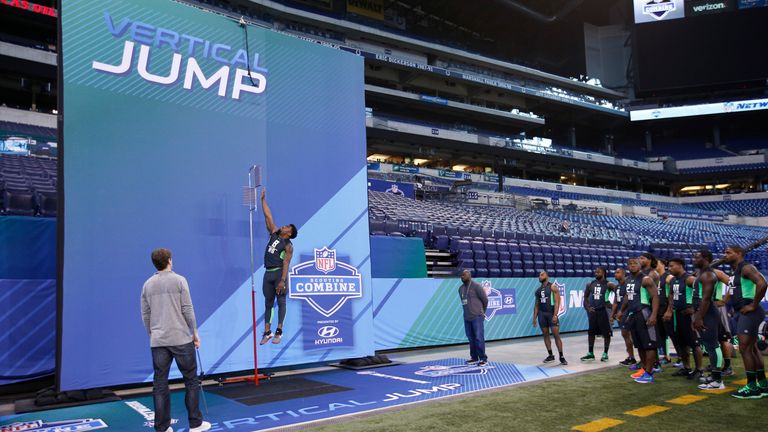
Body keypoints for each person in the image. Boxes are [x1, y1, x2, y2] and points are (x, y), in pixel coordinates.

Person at [141, 248, 211, 432]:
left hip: (158, 341)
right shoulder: (180, 280)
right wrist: (195, 333)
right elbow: (187, 309)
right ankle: (195, 424)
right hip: (181, 338)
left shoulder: (147, 284)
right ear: (170, 261)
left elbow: (145, 314)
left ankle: (162, 428)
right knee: (191, 381)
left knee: (160, 384)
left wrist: (152, 333)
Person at [723, 245, 768, 399]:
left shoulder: (746, 268)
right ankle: (762, 384)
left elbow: (762, 283)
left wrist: (753, 305)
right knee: (752, 348)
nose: (725, 255)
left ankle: (751, 386)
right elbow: (733, 292)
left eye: (729, 253)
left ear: (739, 254)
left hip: (750, 312)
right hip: (743, 312)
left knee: (745, 348)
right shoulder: (734, 272)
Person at [259, 189, 297, 345]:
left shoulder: (288, 245)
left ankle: (279, 331)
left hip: (279, 275)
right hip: (268, 273)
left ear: (289, 234)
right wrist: (262, 200)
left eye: (288, 227)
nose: (285, 226)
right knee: (268, 303)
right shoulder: (274, 233)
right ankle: (267, 332)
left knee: (281, 302)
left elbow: (286, 263)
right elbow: (268, 216)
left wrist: (282, 280)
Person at [616, 257, 660, 384]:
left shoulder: (645, 279)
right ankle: (644, 368)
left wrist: (653, 315)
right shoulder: (629, 280)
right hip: (633, 314)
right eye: (630, 264)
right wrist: (621, 311)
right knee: (639, 344)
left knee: (649, 344)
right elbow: (626, 297)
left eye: (635, 263)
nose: (632, 265)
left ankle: (649, 373)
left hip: (644, 313)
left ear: (640, 265)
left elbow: (655, 297)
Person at [691, 250, 725, 390]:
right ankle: (714, 376)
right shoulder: (702, 273)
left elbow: (706, 299)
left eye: (697, 257)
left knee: (713, 345)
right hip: (703, 312)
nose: (694, 259)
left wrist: (698, 318)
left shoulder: (708, 275)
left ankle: (718, 381)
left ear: (705, 258)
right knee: (709, 345)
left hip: (707, 312)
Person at [666, 257, 701, 379]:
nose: (669, 268)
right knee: (681, 344)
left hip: (688, 315)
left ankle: (699, 369)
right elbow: (670, 294)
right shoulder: (673, 280)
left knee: (694, 343)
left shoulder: (689, 279)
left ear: (680, 265)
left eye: (672, 266)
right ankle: (686, 367)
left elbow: (703, 292)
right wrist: (670, 309)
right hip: (677, 315)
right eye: (669, 266)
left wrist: (694, 308)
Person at [532, 271, 567, 365]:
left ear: (547, 276)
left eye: (542, 275)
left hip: (551, 314)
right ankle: (551, 355)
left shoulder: (553, 287)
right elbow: (536, 305)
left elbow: (557, 302)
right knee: (545, 334)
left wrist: (555, 315)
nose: (540, 276)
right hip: (542, 315)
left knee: (556, 335)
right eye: (539, 275)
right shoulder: (538, 291)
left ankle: (561, 356)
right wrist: (534, 318)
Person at [581, 266, 613, 362]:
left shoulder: (609, 284)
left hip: (604, 311)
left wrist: (612, 306)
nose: (596, 273)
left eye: (598, 272)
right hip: (593, 312)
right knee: (591, 333)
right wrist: (588, 307)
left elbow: (619, 293)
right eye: (595, 272)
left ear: (603, 273)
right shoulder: (590, 284)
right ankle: (590, 353)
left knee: (606, 334)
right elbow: (585, 297)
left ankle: (605, 354)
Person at [459, 269, 489, 366]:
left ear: (469, 276)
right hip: (467, 317)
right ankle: (474, 357)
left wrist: (482, 312)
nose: (462, 276)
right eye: (461, 275)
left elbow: (485, 300)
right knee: (470, 338)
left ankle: (483, 358)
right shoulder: (460, 289)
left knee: (478, 337)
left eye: (464, 275)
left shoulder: (476, 286)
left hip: (477, 316)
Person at [611, 268, 636, 365]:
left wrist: (623, 311)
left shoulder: (628, 284)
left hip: (630, 312)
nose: (615, 274)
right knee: (625, 335)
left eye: (618, 272)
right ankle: (631, 357)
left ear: (623, 274)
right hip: (621, 314)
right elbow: (616, 302)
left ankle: (641, 358)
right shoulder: (617, 287)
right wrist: (612, 315)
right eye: (615, 272)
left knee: (633, 335)